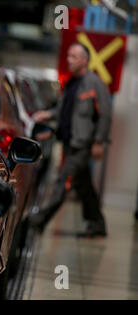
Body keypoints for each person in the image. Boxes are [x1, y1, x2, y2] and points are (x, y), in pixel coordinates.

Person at [30, 42, 112, 238]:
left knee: (63, 181)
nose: (69, 60)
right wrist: (47, 115)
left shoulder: (94, 83)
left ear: (84, 60)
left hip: (82, 145)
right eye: (68, 56)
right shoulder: (72, 83)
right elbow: (63, 111)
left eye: (74, 56)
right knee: (84, 186)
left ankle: (39, 221)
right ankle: (97, 224)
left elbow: (105, 115)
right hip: (69, 143)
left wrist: (99, 141)